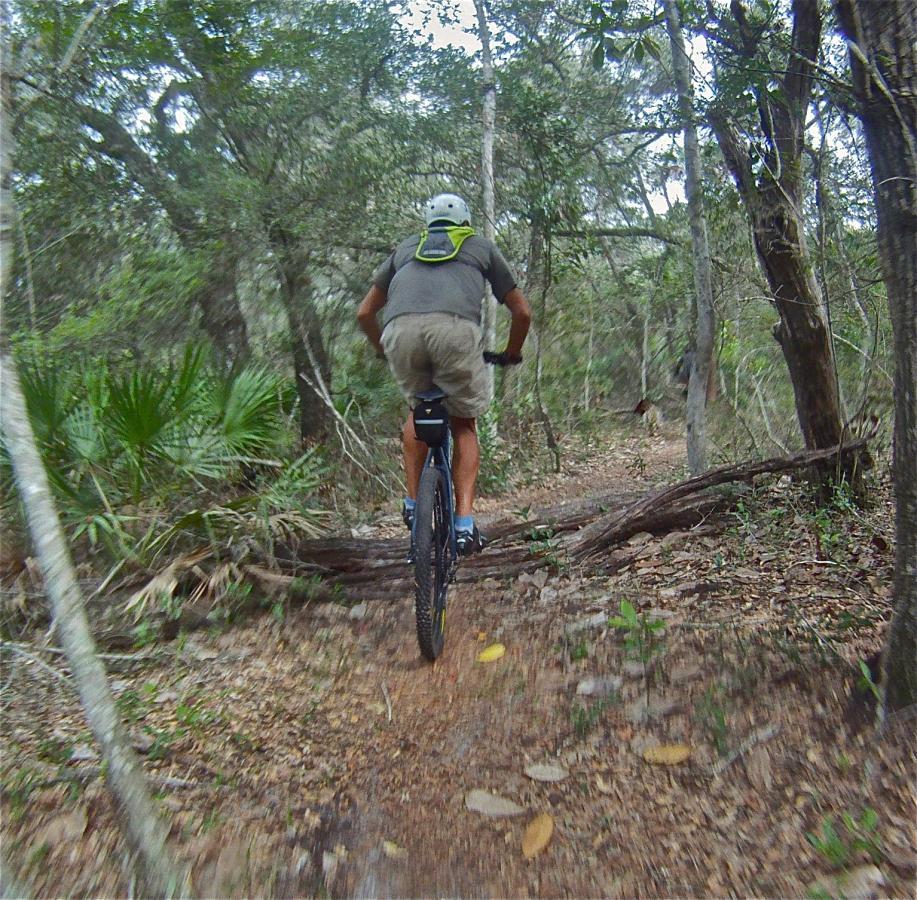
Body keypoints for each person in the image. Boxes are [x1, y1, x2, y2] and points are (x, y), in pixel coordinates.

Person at [357, 192, 531, 555]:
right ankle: (464, 524)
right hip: (455, 331)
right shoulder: (479, 246)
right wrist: (512, 353)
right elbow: (522, 312)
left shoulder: (406, 248)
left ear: (427, 224)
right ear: (464, 222)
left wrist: (382, 348)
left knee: (416, 410)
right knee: (463, 424)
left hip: (399, 332)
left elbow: (364, 313)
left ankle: (410, 502)